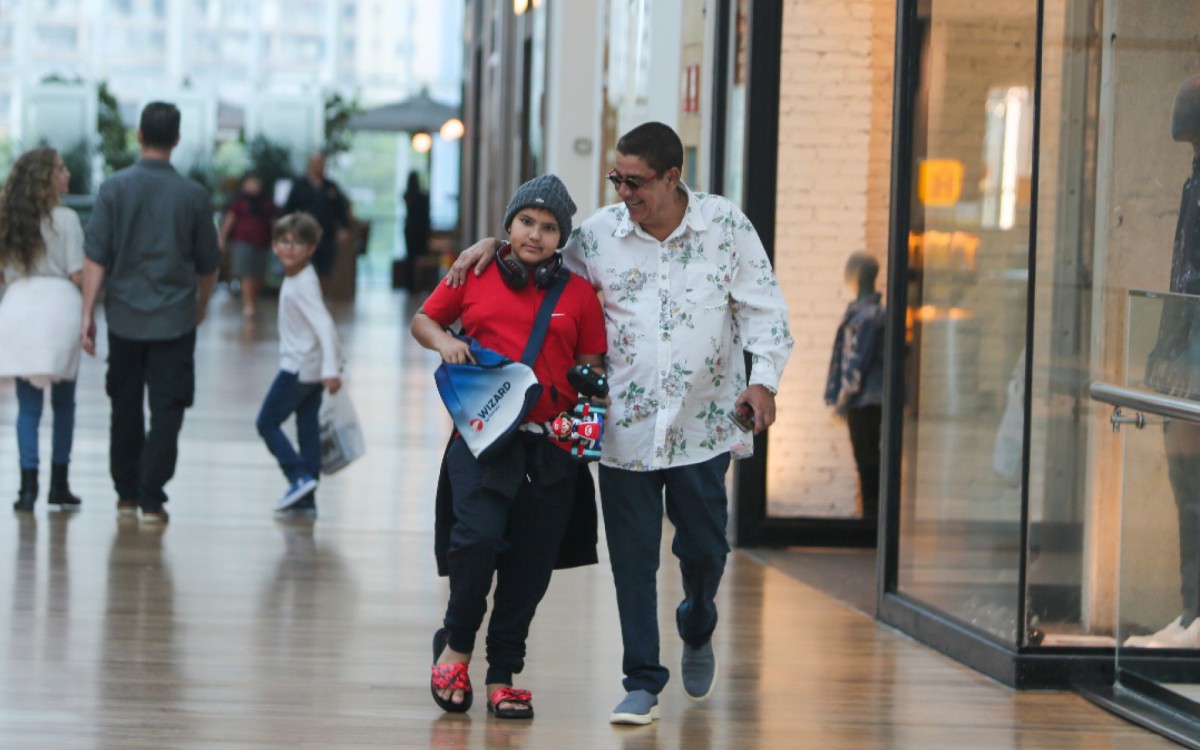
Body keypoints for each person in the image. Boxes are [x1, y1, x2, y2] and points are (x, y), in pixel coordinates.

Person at [449, 123, 793, 724]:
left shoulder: (726, 228)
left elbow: (765, 309)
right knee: (633, 558)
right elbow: (536, 252)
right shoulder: (599, 236)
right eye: (616, 178)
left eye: (634, 181)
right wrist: (487, 245)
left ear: (671, 178)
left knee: (705, 550)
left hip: (703, 424)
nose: (623, 191)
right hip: (625, 431)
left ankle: (698, 617)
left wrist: (763, 381)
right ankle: (641, 679)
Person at [413, 174, 606, 719]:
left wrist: (585, 427)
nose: (536, 235)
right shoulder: (473, 273)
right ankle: (455, 644)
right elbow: (424, 319)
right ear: (508, 225)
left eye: (549, 228)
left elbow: (592, 369)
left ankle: (503, 673)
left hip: (550, 449)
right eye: (527, 222)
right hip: (482, 438)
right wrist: (447, 342)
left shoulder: (579, 296)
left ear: (561, 237)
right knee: (475, 540)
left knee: (530, 564)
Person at [80, 101, 221, 525]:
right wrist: (200, 305)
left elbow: (96, 257)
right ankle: (151, 495)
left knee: (123, 404)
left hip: (124, 318)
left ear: (139, 135)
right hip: (174, 320)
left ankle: (125, 491)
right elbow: (209, 264)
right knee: (168, 407)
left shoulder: (113, 188)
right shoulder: (194, 196)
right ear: (176, 139)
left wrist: (88, 313)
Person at [1130, 74, 1200, 649]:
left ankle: (1195, 611)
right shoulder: (1192, 185)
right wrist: (1164, 349)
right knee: (1187, 485)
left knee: (1194, 485)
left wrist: (1174, 349)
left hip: (1196, 358)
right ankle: (1191, 609)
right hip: (1185, 356)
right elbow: (1180, 279)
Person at [0, 148, 85, 512]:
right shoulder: (66, 219)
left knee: (27, 406)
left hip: (18, 306)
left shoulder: (8, 219)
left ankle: (27, 488)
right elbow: (78, 272)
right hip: (59, 308)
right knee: (64, 403)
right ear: (47, 179)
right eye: (61, 169)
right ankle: (59, 484)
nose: (67, 174)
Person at [256, 212, 343, 518]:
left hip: (299, 368)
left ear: (311, 248)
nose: (288, 248)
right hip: (312, 368)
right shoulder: (299, 277)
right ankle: (307, 500)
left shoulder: (302, 283)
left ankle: (298, 477)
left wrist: (332, 368)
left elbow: (324, 325)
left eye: (297, 243)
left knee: (266, 422)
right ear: (274, 245)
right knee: (307, 429)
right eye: (283, 241)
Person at [824, 252, 885, 522]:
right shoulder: (858, 312)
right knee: (865, 458)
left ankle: (872, 518)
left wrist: (844, 397)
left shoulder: (869, 316)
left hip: (866, 399)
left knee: (868, 459)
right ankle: (871, 515)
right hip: (862, 397)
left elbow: (857, 360)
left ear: (858, 276)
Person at [282, 152, 352, 283]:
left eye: (322, 163)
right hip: (303, 235)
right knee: (303, 268)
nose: (320, 166)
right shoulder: (299, 185)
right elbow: (288, 210)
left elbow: (342, 209)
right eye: (317, 163)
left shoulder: (331, 186)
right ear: (310, 165)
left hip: (326, 236)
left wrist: (344, 227)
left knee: (325, 270)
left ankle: (320, 299)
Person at [219, 171, 276, 318]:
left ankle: (253, 301)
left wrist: (278, 238)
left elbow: (274, 222)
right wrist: (222, 238)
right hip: (243, 241)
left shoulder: (267, 202)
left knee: (259, 276)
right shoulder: (238, 201)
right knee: (246, 274)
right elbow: (229, 220)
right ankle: (248, 306)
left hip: (262, 243)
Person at [402, 170, 431, 292]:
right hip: (420, 231)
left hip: (409, 230)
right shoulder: (422, 197)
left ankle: (410, 285)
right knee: (419, 258)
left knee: (410, 258)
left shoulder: (407, 195)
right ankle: (420, 285)